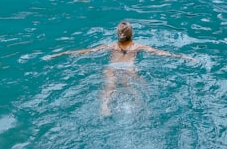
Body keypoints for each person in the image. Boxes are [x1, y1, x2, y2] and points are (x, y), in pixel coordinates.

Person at [47, 20, 194, 116]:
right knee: (133, 87)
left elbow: (88, 52)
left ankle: (105, 107)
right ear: (132, 34)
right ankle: (141, 107)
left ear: (118, 34)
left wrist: (64, 53)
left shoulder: (110, 46)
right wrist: (183, 57)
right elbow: (162, 53)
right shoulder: (138, 46)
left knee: (109, 87)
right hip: (129, 67)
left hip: (112, 67)